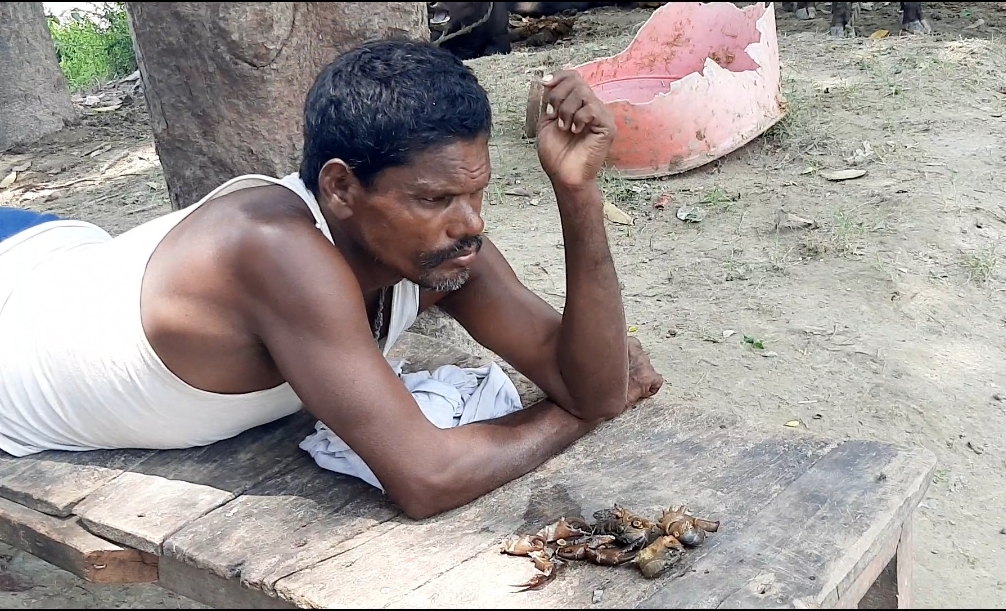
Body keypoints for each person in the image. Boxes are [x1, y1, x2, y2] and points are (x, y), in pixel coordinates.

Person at [0, 38, 664, 520]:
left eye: (477, 193)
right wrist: (580, 412)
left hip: (65, 254)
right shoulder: (275, 253)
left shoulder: (441, 249)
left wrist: (577, 190)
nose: (469, 224)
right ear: (341, 186)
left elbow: (587, 375)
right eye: (433, 199)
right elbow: (427, 477)